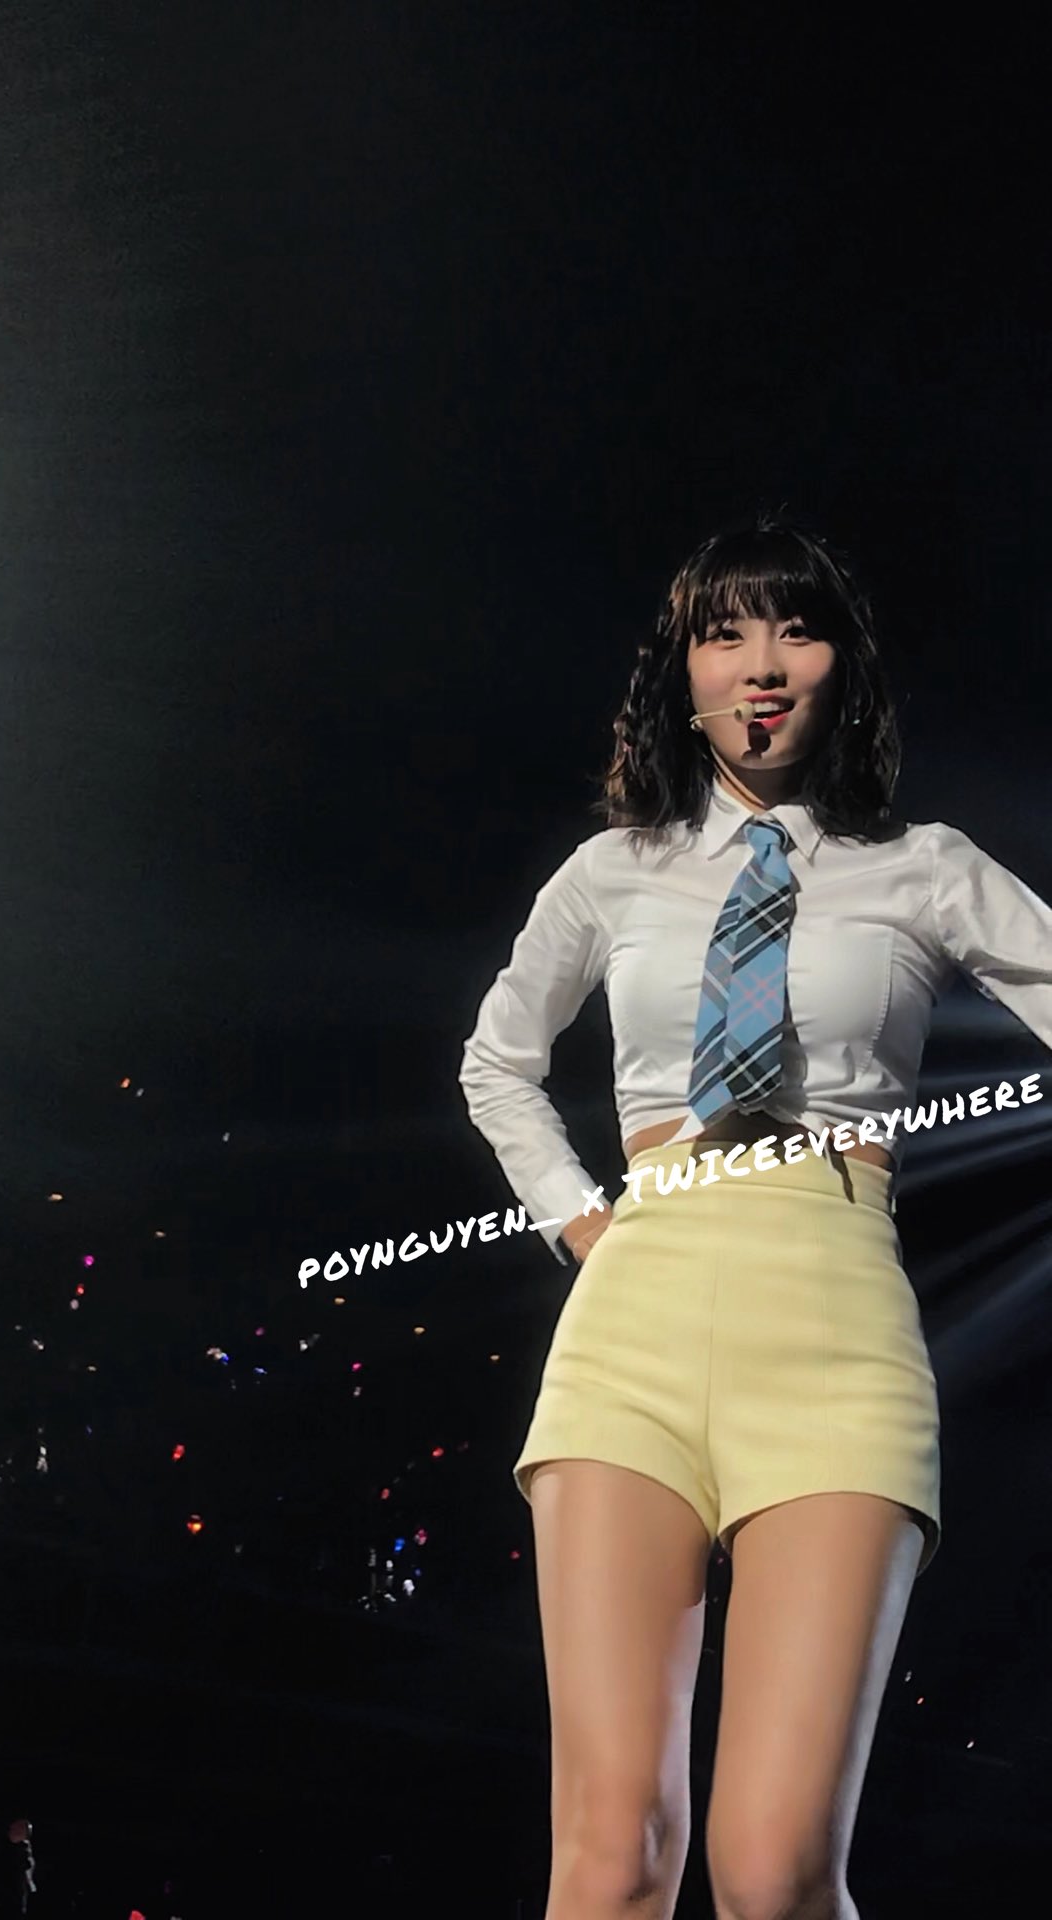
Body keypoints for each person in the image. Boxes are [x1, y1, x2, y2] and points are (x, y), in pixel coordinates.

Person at [458, 514, 1052, 1920]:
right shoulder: (615, 871)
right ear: (685, 675)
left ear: (845, 667)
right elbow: (496, 1061)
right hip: (634, 1325)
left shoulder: (924, 864)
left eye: (796, 628)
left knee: (774, 1871)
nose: (761, 664)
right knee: (610, 1863)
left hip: (834, 1320)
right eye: (723, 635)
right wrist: (584, 1225)